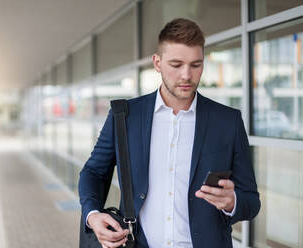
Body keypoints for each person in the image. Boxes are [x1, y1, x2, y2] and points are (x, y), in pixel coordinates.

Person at [78, 18, 260, 248]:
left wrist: (232, 201)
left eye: (196, 65)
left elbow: (251, 201)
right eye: (176, 65)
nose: (186, 75)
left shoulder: (227, 121)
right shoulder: (124, 116)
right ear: (157, 62)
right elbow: (94, 172)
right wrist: (92, 214)